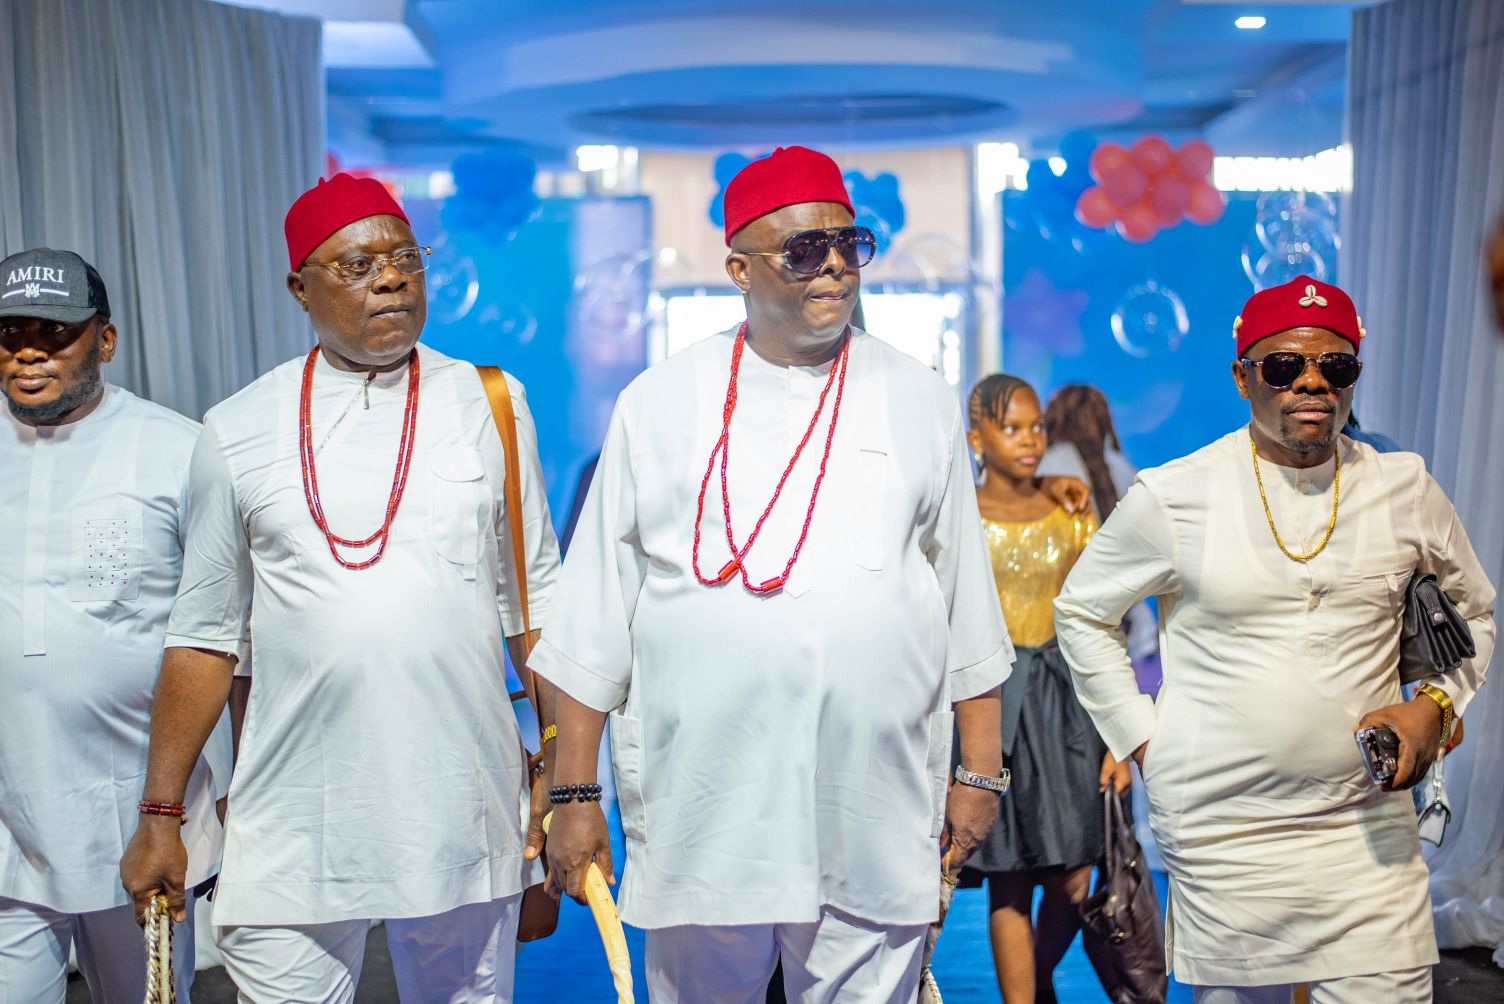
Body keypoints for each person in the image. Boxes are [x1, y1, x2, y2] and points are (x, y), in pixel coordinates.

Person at [530, 145, 1086, 1003]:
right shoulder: (658, 403)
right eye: (803, 249)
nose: (832, 263)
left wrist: (979, 776)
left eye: (847, 243)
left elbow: (966, 610)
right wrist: (574, 793)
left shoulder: (917, 397)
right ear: (739, 269)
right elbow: (594, 622)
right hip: (707, 806)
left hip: (872, 803)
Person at [118, 174, 562, 1003]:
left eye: (405, 259)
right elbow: (205, 636)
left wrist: (567, 780)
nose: (390, 279)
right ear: (300, 288)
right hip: (294, 815)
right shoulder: (237, 428)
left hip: (462, 803)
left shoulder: (490, 402)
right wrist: (161, 814)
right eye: (358, 265)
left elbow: (535, 606)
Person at [1055, 275, 1496, 1003]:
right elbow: (1081, 611)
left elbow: (1474, 614)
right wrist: (1143, 736)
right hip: (1226, 834)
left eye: (1336, 366)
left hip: (1369, 834)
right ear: (1243, 377)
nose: (1312, 382)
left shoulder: (1404, 486)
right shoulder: (1176, 494)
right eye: (1285, 366)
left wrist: (1437, 707)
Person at [0, 247, 230, 1002]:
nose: (28, 350)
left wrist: (187, 810)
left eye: (55, 331)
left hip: (135, 821)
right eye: (9, 332)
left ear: (105, 339)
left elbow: (223, 636)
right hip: (8, 829)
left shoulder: (178, 449)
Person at [961, 373, 1129, 1004]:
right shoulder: (959, 519)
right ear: (977, 439)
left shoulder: (1071, 510)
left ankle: (1036, 978)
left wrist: (1117, 738)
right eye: (1011, 428)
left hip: (1067, 708)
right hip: (993, 708)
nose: (1030, 439)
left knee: (1075, 876)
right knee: (1008, 879)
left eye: (1036, 426)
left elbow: (1102, 619)